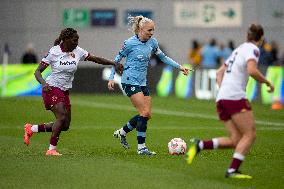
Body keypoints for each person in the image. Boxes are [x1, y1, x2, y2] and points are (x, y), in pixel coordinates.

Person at [186, 24, 274, 179]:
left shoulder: (239, 49)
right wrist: (267, 82)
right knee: (250, 134)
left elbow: (220, 72)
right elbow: (252, 70)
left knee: (236, 139)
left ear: (247, 36)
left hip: (222, 97)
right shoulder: (252, 49)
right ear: (260, 39)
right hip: (234, 97)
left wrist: (223, 90)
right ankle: (232, 170)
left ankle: (200, 145)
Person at [23, 28, 122, 156]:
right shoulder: (54, 52)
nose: (77, 43)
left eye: (77, 40)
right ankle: (51, 149)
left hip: (64, 90)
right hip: (51, 88)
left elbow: (95, 58)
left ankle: (31, 128)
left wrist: (113, 63)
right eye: (75, 40)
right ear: (66, 40)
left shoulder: (78, 51)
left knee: (64, 125)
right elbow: (37, 71)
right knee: (61, 116)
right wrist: (43, 83)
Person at [108, 15, 190, 155]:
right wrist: (111, 77)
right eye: (149, 30)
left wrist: (179, 67)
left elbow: (163, 57)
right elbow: (116, 60)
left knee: (146, 115)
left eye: (153, 30)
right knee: (144, 112)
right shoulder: (129, 43)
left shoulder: (153, 42)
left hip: (142, 81)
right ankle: (142, 148)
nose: (152, 33)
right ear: (141, 29)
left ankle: (121, 132)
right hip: (129, 80)